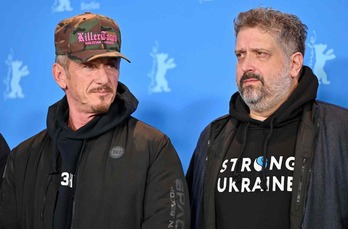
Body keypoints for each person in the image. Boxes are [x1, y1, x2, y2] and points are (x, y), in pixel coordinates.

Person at [0, 12, 190, 229]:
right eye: (89, 66)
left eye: (111, 65)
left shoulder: (153, 149)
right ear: (60, 75)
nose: (104, 79)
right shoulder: (24, 157)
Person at [186, 7, 348, 229]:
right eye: (240, 55)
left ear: (294, 64)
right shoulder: (212, 137)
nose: (246, 66)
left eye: (260, 54)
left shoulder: (339, 130)